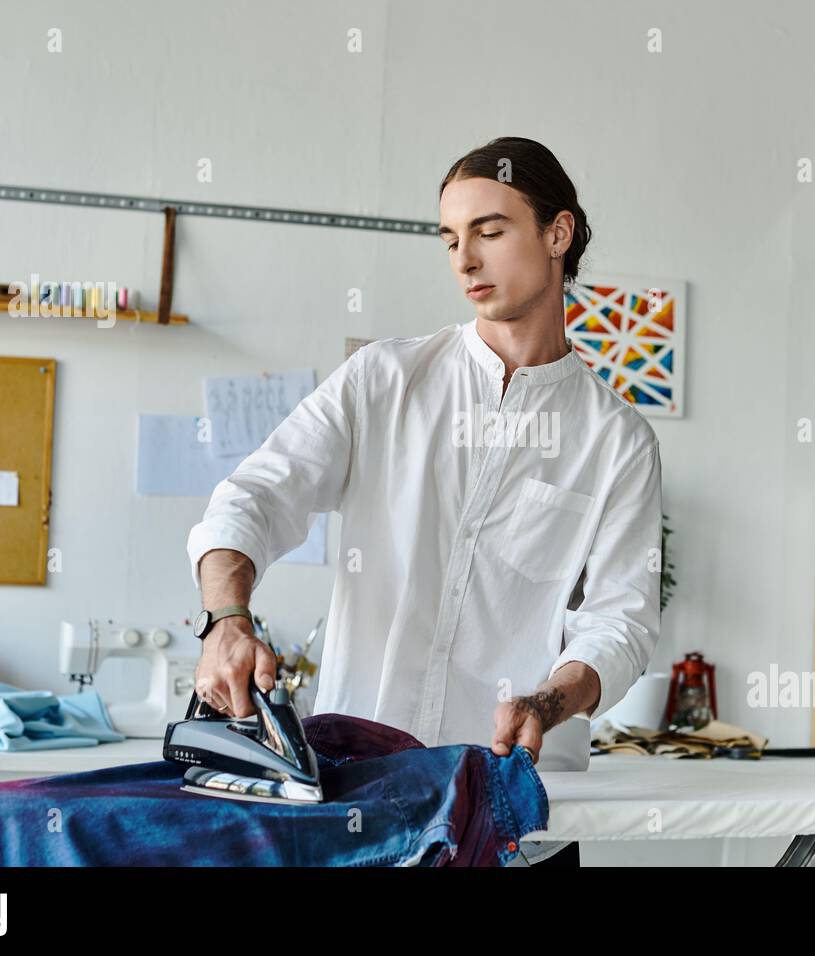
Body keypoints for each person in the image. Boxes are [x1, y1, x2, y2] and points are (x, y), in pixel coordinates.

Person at [187, 136, 663, 867]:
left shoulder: (617, 441)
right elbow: (253, 496)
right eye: (450, 240)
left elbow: (622, 624)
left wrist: (547, 703)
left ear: (557, 233)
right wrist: (226, 618)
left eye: (491, 232)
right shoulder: (382, 380)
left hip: (517, 820)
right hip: (359, 807)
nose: (465, 261)